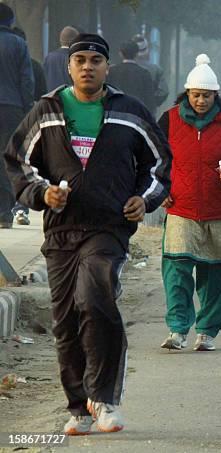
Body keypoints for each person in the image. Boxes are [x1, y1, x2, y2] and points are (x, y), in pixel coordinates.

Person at [4, 33, 172, 434]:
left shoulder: (128, 112)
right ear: (69, 66)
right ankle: (78, 407)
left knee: (95, 300)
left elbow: (160, 163)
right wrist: (42, 193)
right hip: (61, 231)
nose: (87, 66)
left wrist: (144, 200)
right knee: (65, 319)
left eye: (95, 60)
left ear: (107, 67)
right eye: (80, 59)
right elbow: (18, 162)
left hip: (108, 227)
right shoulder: (47, 111)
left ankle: (105, 398)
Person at [157, 54, 221, 352]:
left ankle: (208, 331)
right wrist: (161, 188)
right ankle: (177, 330)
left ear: (216, 95)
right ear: (187, 93)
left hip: (218, 209)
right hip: (180, 208)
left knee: (218, 273)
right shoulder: (169, 119)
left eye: (207, 96)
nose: (201, 101)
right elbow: (155, 157)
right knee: (177, 272)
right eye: (196, 95)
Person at [0, 3, 34, 229]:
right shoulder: (18, 43)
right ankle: (4, 212)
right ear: (11, 22)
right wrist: (27, 106)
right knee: (7, 159)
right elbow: (27, 80)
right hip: (11, 107)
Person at [9, 27, 48, 226]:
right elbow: (40, 93)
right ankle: (19, 208)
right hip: (22, 116)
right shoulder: (34, 66)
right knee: (19, 160)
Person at [107, 40, 155, 113]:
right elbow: (149, 100)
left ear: (120, 53)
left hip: (116, 112)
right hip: (137, 113)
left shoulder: (112, 71)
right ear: (136, 54)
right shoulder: (144, 73)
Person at [132, 34, 169, 114]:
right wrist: (152, 102)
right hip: (148, 112)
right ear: (147, 50)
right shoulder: (156, 69)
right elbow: (164, 91)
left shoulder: (120, 69)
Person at [44, 26, 78, 90]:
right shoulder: (75, 59)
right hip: (69, 97)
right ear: (74, 41)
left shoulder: (49, 57)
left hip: (51, 97)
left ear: (60, 40)